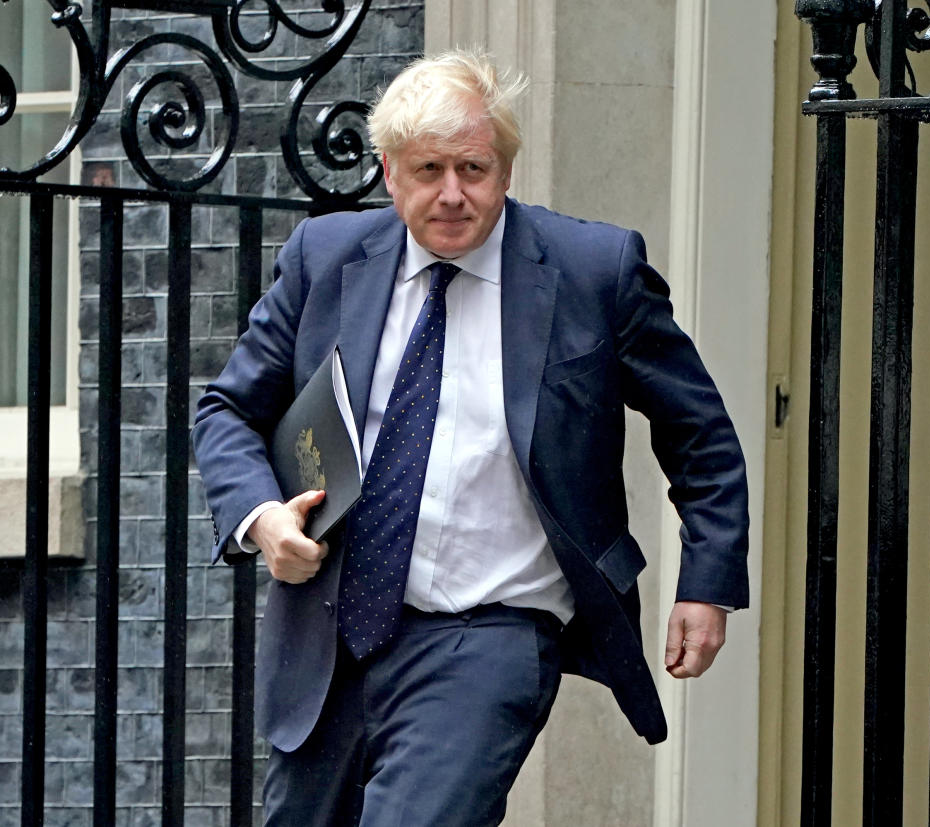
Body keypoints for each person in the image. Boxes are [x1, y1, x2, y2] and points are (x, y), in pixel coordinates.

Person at [192, 49, 748, 826]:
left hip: (488, 636)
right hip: (330, 635)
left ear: (507, 169)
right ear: (389, 172)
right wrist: (263, 516)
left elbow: (701, 432)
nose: (453, 194)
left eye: (474, 169)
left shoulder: (595, 270)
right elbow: (226, 411)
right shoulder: (324, 258)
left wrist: (707, 580)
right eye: (428, 170)